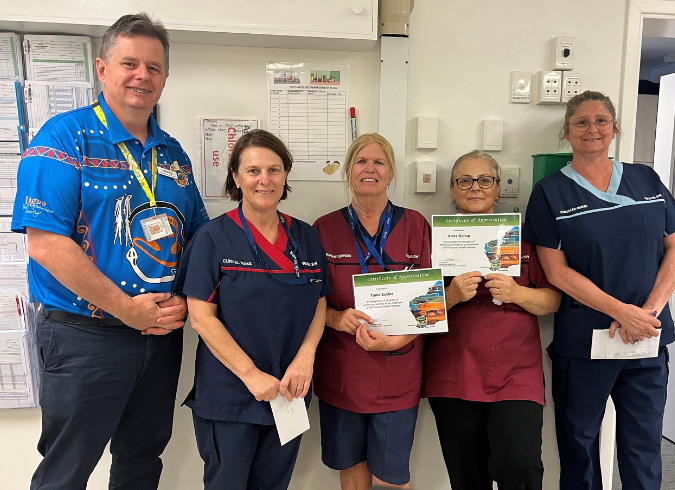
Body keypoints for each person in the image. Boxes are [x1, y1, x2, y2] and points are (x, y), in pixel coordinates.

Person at [11, 13, 208, 490]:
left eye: (154, 67)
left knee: (142, 460)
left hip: (160, 337)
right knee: (66, 468)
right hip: (85, 339)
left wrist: (188, 297)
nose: (142, 75)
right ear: (102, 70)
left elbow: (199, 238)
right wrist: (126, 309)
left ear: (164, 78)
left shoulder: (173, 152)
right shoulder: (62, 138)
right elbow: (46, 243)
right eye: (129, 63)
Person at [523, 90, 675, 490]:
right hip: (585, 344)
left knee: (643, 445)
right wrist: (623, 311)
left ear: (614, 128)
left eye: (601, 120)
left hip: (646, 340)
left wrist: (647, 312)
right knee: (580, 445)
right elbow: (557, 273)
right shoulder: (550, 193)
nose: (592, 129)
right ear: (567, 131)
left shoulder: (646, 178)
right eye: (581, 122)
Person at [175, 129, 329, 490]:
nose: (265, 180)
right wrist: (251, 375)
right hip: (231, 395)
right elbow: (200, 317)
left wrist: (306, 358)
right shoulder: (213, 238)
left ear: (286, 175)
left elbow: (319, 301)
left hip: (289, 393)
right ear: (236, 177)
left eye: (274, 170)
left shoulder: (306, 237)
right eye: (253, 170)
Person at [422, 150, 561, 490]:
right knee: (467, 475)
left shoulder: (525, 238)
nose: (475, 188)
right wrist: (451, 295)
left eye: (485, 180)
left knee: (521, 467)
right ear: (453, 190)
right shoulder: (432, 239)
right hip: (454, 369)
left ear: (498, 189)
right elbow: (415, 311)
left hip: (516, 371)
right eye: (464, 181)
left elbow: (553, 298)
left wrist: (518, 294)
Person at [312, 133, 431, 489]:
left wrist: (394, 342)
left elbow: (430, 305)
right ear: (348, 171)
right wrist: (337, 318)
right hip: (342, 371)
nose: (370, 169)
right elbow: (312, 301)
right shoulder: (323, 229)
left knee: (392, 478)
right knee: (351, 471)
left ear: (391, 173)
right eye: (361, 161)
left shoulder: (415, 226)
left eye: (379, 162)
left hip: (398, 371)